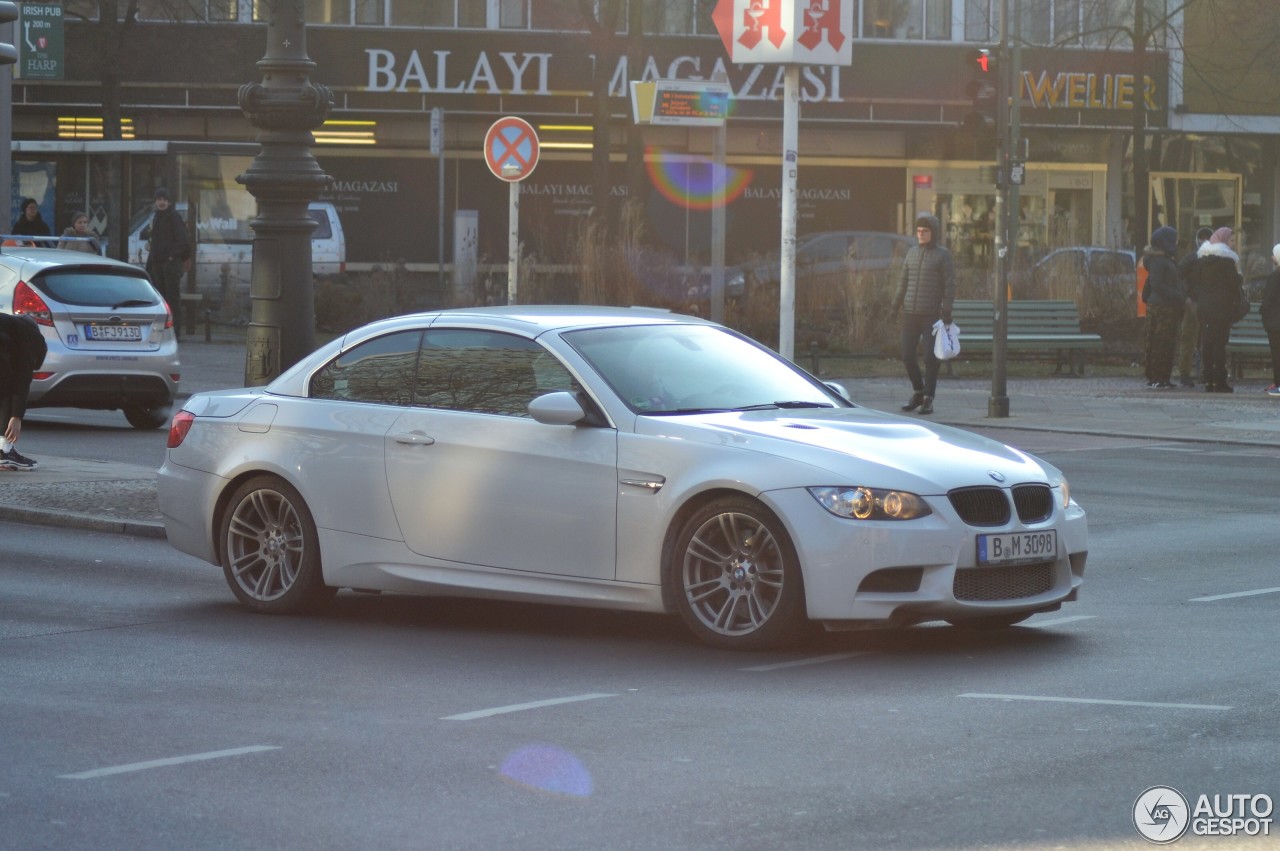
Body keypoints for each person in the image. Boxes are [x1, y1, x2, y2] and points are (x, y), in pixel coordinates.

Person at [891, 213, 955, 416]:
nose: (921, 234)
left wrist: (947, 308)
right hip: (910, 312)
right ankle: (918, 391)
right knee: (907, 355)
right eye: (918, 231)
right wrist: (895, 307)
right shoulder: (911, 253)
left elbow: (949, 284)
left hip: (931, 314)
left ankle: (929, 397)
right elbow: (903, 282)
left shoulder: (943, 255)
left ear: (933, 233)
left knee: (930, 357)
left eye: (925, 231)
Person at [1195, 226, 1243, 393]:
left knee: (1208, 343)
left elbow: (1194, 280)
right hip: (1221, 308)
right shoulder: (1227, 261)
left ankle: (1208, 380)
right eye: (1231, 240)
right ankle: (1220, 381)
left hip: (1205, 307)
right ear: (1223, 241)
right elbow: (1234, 282)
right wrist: (1240, 276)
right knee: (1219, 344)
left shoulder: (1203, 260)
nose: (1234, 244)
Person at [0, 312, 49, 471]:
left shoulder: (18, 330)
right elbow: (21, 382)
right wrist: (16, 417)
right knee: (8, 384)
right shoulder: (29, 343)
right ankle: (4, 451)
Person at [143, 188, 191, 337]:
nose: (161, 202)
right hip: (158, 263)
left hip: (170, 264)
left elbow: (182, 241)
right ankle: (163, 329)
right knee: (160, 298)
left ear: (169, 202)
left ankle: (175, 331)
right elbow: (156, 241)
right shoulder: (156, 217)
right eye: (159, 199)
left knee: (172, 298)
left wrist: (171, 257)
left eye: (164, 200)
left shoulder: (174, 217)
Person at [1140, 226, 1183, 390]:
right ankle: (1158, 377)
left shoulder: (1162, 258)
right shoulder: (1159, 260)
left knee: (1163, 342)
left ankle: (1161, 377)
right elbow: (1157, 284)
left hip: (1164, 306)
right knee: (1161, 343)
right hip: (1163, 307)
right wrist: (1177, 295)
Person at [1176, 226, 1212, 386]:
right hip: (1193, 304)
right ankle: (1185, 373)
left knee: (1208, 340)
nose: (1204, 241)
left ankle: (1205, 373)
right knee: (1188, 339)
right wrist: (1186, 298)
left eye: (1207, 238)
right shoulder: (1191, 258)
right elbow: (1177, 279)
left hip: (1209, 304)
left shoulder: (1215, 258)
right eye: (1201, 238)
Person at [1261, 242, 1280, 397]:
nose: (1272, 257)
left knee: (1277, 353)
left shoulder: (1275, 276)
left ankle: (1279, 384)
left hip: (1275, 322)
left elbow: (1268, 300)